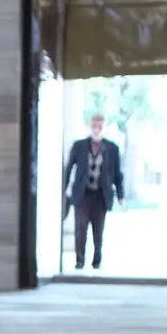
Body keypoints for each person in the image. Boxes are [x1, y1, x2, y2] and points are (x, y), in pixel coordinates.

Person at [64, 113, 124, 270]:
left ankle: (97, 260)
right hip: (82, 194)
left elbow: (117, 173)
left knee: (98, 230)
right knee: (80, 228)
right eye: (94, 126)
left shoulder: (112, 149)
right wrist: (64, 190)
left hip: (100, 195)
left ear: (104, 128)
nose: (96, 129)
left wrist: (120, 194)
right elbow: (69, 168)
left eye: (100, 126)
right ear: (89, 127)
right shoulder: (79, 146)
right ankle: (80, 259)